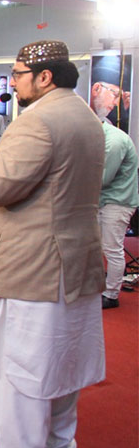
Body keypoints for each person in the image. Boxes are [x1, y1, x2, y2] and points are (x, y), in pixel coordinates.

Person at [0, 40, 105, 448]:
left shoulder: (38, 122)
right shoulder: (85, 116)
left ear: (44, 76)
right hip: (71, 262)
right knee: (61, 364)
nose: (11, 82)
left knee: (20, 369)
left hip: (29, 266)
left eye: (16, 74)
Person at [97, 119, 138, 309]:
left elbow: (103, 178)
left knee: (112, 249)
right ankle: (101, 288)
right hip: (106, 201)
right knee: (99, 247)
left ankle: (111, 294)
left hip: (117, 202)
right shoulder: (103, 137)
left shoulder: (113, 141)